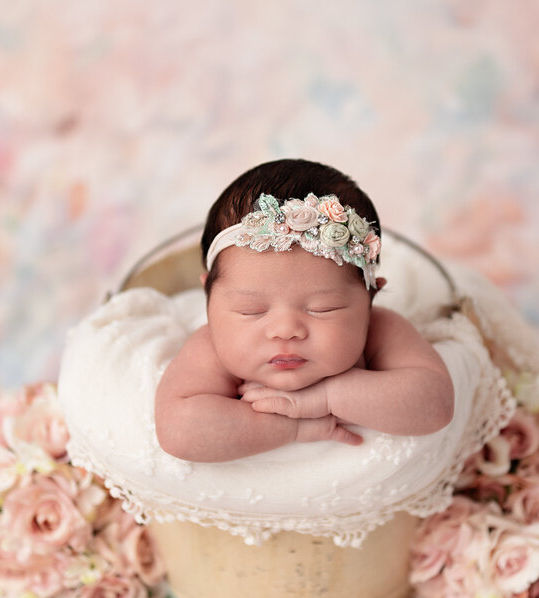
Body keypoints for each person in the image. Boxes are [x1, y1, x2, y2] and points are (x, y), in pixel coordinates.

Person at [155, 159, 454, 463]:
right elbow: (179, 430)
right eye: (251, 310)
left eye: (323, 308)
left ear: (370, 298)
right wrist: (292, 427)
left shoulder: (382, 330)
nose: (285, 330)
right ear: (208, 298)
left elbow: (435, 403)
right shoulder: (210, 347)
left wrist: (327, 398)